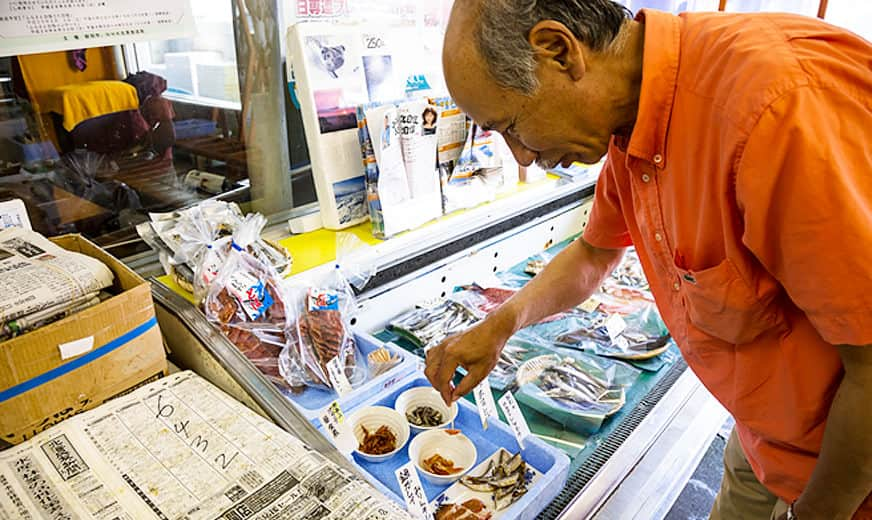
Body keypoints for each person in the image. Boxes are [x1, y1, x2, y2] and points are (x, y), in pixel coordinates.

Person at [425, 1, 872, 519]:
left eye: (510, 126)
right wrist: (500, 324)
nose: (521, 156)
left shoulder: (774, 109)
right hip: (764, 436)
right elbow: (594, 253)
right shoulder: (632, 118)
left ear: (559, 51)